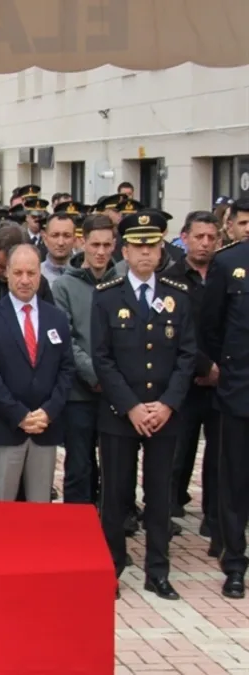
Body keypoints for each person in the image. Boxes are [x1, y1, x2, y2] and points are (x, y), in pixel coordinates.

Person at [92, 211, 196, 600]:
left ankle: (158, 571)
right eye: (137, 246)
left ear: (161, 247)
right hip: (121, 414)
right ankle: (112, 567)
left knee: (159, 496)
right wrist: (132, 407)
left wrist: (167, 404)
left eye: (152, 246)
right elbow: (101, 357)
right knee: (116, 495)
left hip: (164, 415)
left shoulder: (177, 295)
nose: (145, 254)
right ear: (125, 249)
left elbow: (188, 356)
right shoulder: (107, 296)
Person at [0, 244, 75, 502]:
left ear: (39, 275)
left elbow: (67, 369)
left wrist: (49, 411)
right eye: (18, 272)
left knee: (39, 508)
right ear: (7, 273)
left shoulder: (57, 318)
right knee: (1, 506)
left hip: (45, 428)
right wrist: (19, 414)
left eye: (31, 273)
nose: (24, 280)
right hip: (6, 427)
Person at [50, 214, 119, 506]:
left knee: (117, 466)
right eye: (95, 244)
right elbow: (66, 339)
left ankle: (113, 525)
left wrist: (113, 380)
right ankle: (76, 529)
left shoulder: (123, 282)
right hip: (79, 393)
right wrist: (96, 375)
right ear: (83, 244)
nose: (101, 251)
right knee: (79, 466)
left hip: (118, 392)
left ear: (115, 245)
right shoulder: (64, 286)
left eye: (106, 245)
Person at [162, 212, 222, 546]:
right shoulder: (171, 278)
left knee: (219, 453)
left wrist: (219, 369)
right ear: (184, 237)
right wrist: (202, 368)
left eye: (212, 237)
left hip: (222, 379)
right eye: (199, 236)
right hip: (185, 380)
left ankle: (213, 518)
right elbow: (174, 333)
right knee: (178, 450)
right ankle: (168, 512)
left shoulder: (226, 275)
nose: (205, 243)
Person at [206, 197, 249, 599]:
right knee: (234, 481)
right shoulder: (228, 263)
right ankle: (234, 562)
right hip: (239, 389)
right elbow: (212, 328)